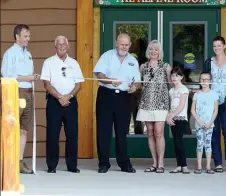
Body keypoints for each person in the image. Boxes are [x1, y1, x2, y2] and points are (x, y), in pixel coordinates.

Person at [93, 33, 140, 173]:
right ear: (116, 43)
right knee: (103, 131)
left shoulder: (133, 60)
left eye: (126, 45)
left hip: (124, 98)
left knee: (122, 131)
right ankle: (103, 164)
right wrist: (110, 80)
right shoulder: (107, 56)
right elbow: (98, 74)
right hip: (106, 95)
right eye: (121, 44)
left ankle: (124, 163)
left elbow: (137, 80)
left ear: (130, 45)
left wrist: (135, 87)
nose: (124, 47)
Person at [40, 35, 84, 173]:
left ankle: (72, 166)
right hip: (54, 102)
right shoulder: (48, 62)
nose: (62, 47)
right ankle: (51, 166)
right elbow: (46, 84)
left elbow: (79, 84)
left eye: (64, 44)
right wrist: (60, 97)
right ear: (55, 46)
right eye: (59, 44)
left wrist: (68, 96)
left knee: (72, 135)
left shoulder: (74, 63)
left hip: (71, 102)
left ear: (68, 46)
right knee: (52, 135)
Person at [1, 24, 38, 174]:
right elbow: (6, 75)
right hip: (15, 92)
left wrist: (31, 78)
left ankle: (19, 162)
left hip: (28, 93)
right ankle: (8, 162)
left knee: (23, 129)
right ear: (17, 36)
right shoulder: (10, 53)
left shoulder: (27, 54)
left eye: (29, 36)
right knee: (12, 128)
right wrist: (27, 77)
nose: (28, 39)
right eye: (25, 36)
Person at [203, 36, 226, 173]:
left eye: (219, 45)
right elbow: (204, 81)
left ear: (224, 46)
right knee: (214, 133)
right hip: (212, 103)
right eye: (214, 46)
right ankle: (218, 163)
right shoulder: (209, 62)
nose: (216, 48)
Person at [137, 40, 171, 173]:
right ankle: (154, 162)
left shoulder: (166, 66)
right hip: (146, 103)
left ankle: (161, 163)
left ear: (160, 52)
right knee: (150, 133)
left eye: (156, 49)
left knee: (159, 132)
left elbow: (172, 84)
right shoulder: (142, 67)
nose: (153, 52)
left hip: (161, 103)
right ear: (148, 51)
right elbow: (138, 85)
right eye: (151, 49)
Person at [191, 72, 218, 174]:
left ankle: (208, 166)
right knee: (199, 144)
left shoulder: (214, 94)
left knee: (208, 144)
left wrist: (210, 122)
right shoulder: (197, 94)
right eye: (202, 79)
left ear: (210, 81)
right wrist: (198, 120)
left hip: (209, 124)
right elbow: (193, 110)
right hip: (199, 124)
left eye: (206, 79)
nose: (204, 82)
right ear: (199, 81)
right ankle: (198, 166)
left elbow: (215, 109)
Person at [167, 67, 190, 174]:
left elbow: (181, 106)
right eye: (172, 75)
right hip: (173, 119)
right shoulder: (171, 90)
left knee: (179, 142)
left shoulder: (184, 89)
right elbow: (170, 106)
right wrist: (169, 117)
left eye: (176, 75)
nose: (174, 77)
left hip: (180, 118)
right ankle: (179, 165)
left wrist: (172, 116)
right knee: (175, 143)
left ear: (181, 77)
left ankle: (184, 165)